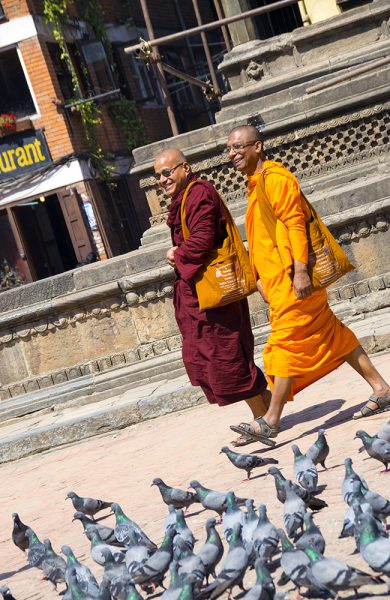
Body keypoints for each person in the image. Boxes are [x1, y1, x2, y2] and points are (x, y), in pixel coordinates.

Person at [226, 124, 390, 446]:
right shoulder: (256, 184)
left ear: (257, 147)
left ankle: (271, 420)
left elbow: (295, 223)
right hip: (278, 283)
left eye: (237, 147)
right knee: (332, 333)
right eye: (228, 149)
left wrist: (301, 271)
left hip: (293, 281)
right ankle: (381, 388)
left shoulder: (276, 179)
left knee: (283, 344)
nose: (232, 154)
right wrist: (259, 278)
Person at [154, 147, 270, 445]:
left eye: (167, 172)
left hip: (214, 299)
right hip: (200, 298)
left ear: (185, 168)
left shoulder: (199, 194)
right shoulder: (185, 198)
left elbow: (203, 238)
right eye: (158, 176)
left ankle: (264, 420)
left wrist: (177, 254)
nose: (162, 180)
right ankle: (267, 411)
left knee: (228, 356)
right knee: (215, 357)